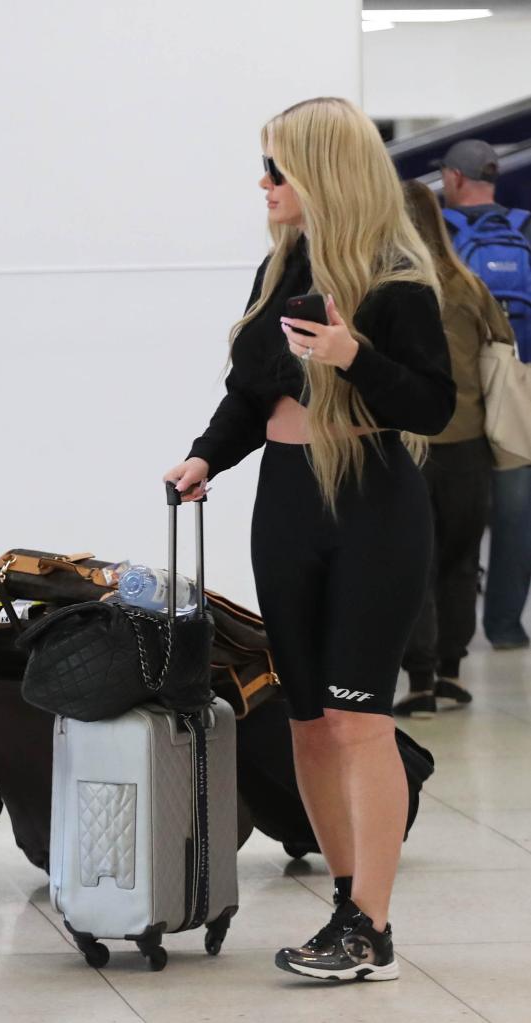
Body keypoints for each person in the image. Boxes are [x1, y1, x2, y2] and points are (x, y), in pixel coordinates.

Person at [164, 97, 454, 982]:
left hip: (370, 505)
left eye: (277, 169)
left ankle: (373, 925)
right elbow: (250, 395)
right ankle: (344, 903)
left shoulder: (398, 277)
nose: (263, 184)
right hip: (286, 506)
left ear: (321, 174)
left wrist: (351, 355)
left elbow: (433, 407)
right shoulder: (278, 266)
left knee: (358, 721)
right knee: (307, 721)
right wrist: (204, 455)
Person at [395, 180, 517, 717]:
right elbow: (504, 344)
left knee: (413, 560)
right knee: (461, 560)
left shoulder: (390, 285)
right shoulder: (468, 283)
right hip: (468, 441)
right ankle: (451, 672)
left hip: (410, 446)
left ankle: (418, 681)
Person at [440, 139, 531, 650]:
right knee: (516, 510)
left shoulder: (443, 234)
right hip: (520, 382)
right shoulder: (525, 227)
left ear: (454, 178)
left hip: (463, 389)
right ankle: (505, 626)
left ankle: (447, 636)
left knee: (456, 511)